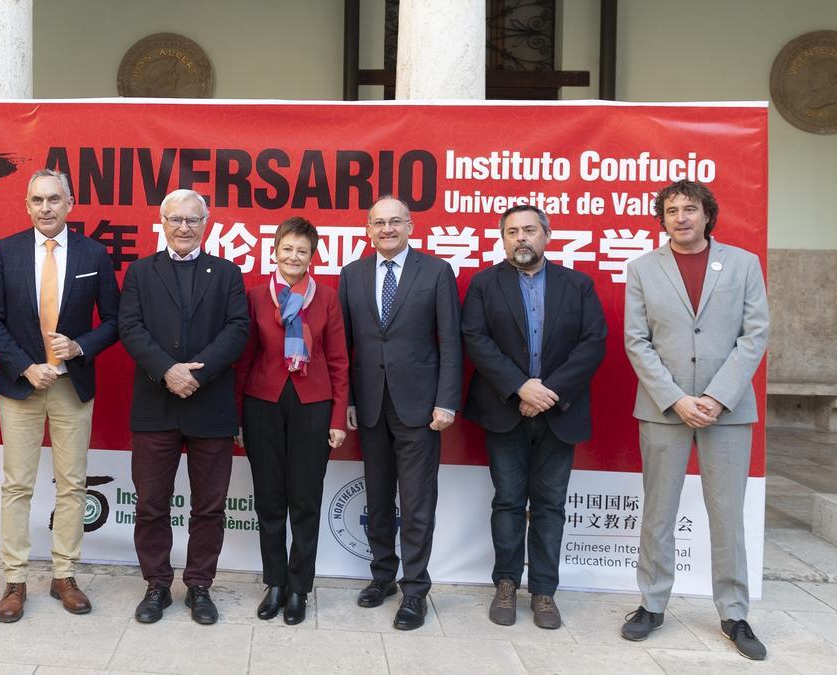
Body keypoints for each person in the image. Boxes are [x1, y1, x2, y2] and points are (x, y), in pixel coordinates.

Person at [620, 180, 770, 660]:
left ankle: (733, 613)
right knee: (658, 512)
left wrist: (715, 397)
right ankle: (651, 604)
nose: (681, 217)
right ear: (660, 219)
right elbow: (636, 341)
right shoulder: (643, 268)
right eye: (671, 210)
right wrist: (676, 399)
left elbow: (755, 334)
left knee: (727, 515)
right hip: (665, 410)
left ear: (708, 214)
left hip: (726, 410)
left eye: (690, 209)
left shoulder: (743, 264)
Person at [0, 169, 120, 622]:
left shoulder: (94, 252)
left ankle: (64, 575)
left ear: (70, 203)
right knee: (17, 484)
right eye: (37, 200)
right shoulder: (6, 251)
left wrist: (81, 347)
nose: (45, 208)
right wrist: (25, 365)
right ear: (26, 204)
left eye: (54, 199)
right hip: (22, 386)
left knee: (73, 484)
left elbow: (115, 321)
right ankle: (15, 580)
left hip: (71, 386)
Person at [461, 204, 606, 630]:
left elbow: (592, 343)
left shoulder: (577, 285)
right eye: (512, 232)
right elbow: (476, 339)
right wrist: (521, 387)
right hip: (504, 409)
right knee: (507, 501)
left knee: (549, 505)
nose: (520, 238)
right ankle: (506, 583)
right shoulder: (484, 284)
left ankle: (543, 591)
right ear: (502, 239)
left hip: (560, 412)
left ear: (546, 235)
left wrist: (548, 392)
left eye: (529, 230)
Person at [118, 188, 249, 625]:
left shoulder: (228, 273)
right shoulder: (140, 272)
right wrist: (166, 370)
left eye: (193, 220)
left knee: (209, 506)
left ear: (206, 225)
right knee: (151, 503)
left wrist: (197, 372)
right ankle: (157, 584)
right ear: (162, 222)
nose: (184, 227)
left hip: (209, 405)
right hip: (156, 404)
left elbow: (238, 329)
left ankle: (199, 586)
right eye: (176, 219)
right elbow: (130, 327)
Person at [338, 195, 462, 630]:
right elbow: (344, 346)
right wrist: (348, 400)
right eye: (378, 223)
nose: (386, 229)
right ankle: (382, 577)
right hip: (371, 405)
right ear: (367, 229)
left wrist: (447, 401)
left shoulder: (436, 271)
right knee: (377, 497)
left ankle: (414, 590)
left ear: (410, 226)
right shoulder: (351, 275)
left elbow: (451, 341)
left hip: (421, 408)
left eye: (395, 222)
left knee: (415, 502)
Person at [233, 217, 349, 625]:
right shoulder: (255, 297)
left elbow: (338, 361)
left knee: (304, 499)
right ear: (275, 251)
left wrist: (338, 417)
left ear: (312, 256)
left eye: (302, 250)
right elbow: (244, 359)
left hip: (312, 405)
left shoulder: (327, 298)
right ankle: (275, 583)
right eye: (287, 249)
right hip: (262, 403)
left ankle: (300, 587)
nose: (293, 256)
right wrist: (238, 417)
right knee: (268, 499)